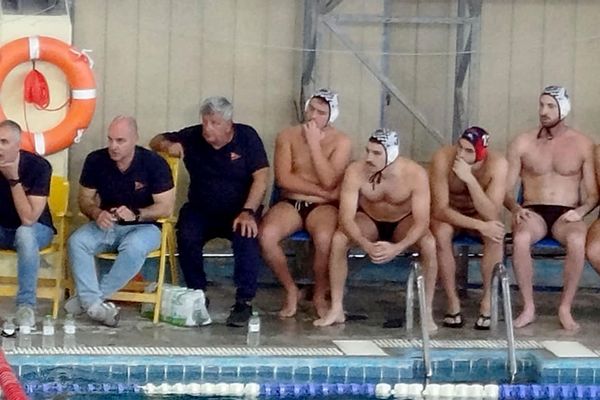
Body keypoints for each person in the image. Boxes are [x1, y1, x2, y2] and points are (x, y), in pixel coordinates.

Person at [149, 96, 269, 327]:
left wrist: (248, 211)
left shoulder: (247, 137)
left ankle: (244, 301)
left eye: (214, 123)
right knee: (187, 233)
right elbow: (155, 140)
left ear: (228, 125)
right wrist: (168, 146)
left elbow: (261, 178)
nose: (207, 128)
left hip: (239, 210)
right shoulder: (192, 136)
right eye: (205, 122)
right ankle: (198, 293)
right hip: (202, 208)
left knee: (247, 236)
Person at [314, 129, 438, 331]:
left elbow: (422, 222)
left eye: (377, 153)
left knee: (429, 243)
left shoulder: (415, 174)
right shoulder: (356, 171)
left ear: (392, 154)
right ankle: (336, 308)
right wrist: (365, 244)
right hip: (369, 220)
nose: (369, 158)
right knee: (339, 239)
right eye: (368, 151)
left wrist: (398, 247)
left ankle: (427, 311)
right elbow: (346, 218)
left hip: (402, 222)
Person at [66, 116, 175, 327]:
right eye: (110, 140)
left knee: (134, 246)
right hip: (108, 223)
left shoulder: (154, 163)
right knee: (77, 241)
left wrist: (137, 214)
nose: (113, 146)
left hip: (145, 226)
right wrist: (97, 213)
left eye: (120, 141)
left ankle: (89, 301)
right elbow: (84, 200)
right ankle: (94, 304)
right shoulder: (96, 160)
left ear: (135, 139)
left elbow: (166, 208)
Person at [504, 85, 598, 331]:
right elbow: (505, 190)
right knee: (521, 238)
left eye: (550, 106)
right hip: (532, 210)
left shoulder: (583, 144)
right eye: (541, 105)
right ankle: (528, 307)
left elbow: (593, 194)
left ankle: (565, 308)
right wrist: (515, 208)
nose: (543, 111)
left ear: (563, 110)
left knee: (577, 239)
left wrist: (580, 212)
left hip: (567, 212)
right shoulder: (523, 142)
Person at [259, 88, 352, 318]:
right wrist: (323, 193)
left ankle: (319, 294)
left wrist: (314, 145)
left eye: (321, 112)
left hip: (323, 208)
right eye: (311, 109)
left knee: (325, 239)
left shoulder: (342, 142)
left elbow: (330, 180)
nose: (313, 116)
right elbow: (284, 179)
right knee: (266, 236)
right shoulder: (287, 136)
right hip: (291, 202)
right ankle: (291, 289)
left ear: (331, 116)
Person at [430, 127, 507, 330]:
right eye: (460, 147)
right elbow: (440, 210)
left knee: (496, 234)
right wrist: (480, 225)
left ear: (481, 154)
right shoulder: (442, 159)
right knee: (441, 233)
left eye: (468, 151)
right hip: (451, 214)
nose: (461, 154)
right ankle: (452, 301)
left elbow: (491, 213)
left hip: (479, 214)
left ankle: (487, 300)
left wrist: (470, 180)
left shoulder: (497, 165)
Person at [0, 120, 55, 329]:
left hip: (37, 229)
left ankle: (26, 306)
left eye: (4, 142)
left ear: (18, 145)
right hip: (3, 229)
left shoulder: (38, 167)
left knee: (24, 233)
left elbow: (29, 218)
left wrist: (14, 180)